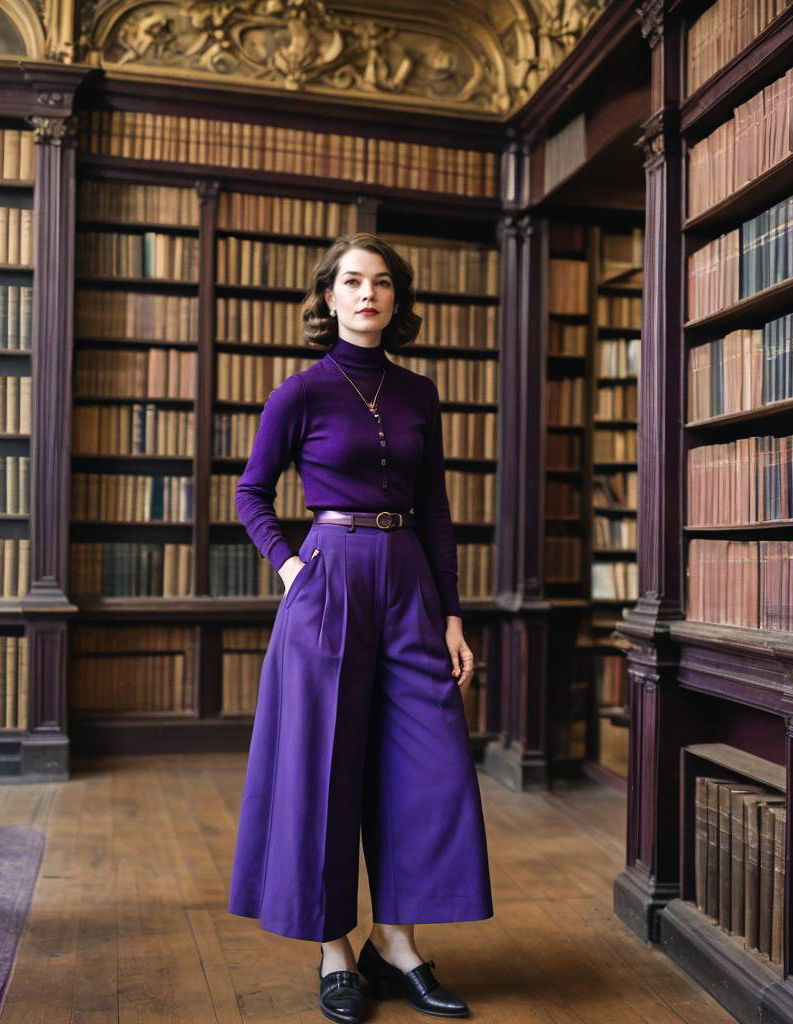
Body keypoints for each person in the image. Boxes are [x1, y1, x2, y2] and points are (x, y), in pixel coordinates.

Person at [227, 232, 495, 1023]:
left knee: (429, 763)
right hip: (329, 574)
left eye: (381, 282)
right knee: (324, 764)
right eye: (352, 281)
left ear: (397, 300)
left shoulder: (420, 393)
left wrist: (451, 613)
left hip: (410, 575)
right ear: (330, 296)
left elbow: (439, 510)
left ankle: (397, 943)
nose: (368, 293)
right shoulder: (300, 392)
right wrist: (291, 568)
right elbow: (251, 492)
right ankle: (334, 950)